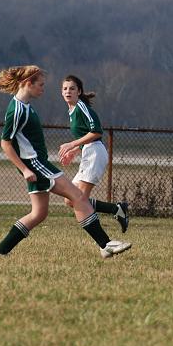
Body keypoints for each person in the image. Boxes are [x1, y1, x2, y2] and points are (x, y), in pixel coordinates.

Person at [0, 65, 131, 258]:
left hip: (35, 165)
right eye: (40, 85)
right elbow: (6, 144)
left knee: (38, 214)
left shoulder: (25, 106)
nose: (43, 89)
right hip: (36, 164)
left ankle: (0, 251)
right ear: (28, 84)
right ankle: (105, 244)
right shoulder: (17, 111)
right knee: (77, 197)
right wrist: (24, 169)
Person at [57, 75, 129, 233]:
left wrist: (72, 144)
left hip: (95, 153)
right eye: (65, 88)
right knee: (70, 199)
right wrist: (75, 151)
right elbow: (86, 135)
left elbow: (96, 131)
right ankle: (116, 209)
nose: (68, 91)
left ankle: (100, 235)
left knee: (80, 198)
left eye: (72, 88)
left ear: (79, 91)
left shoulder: (81, 107)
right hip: (88, 153)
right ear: (61, 92)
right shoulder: (71, 111)